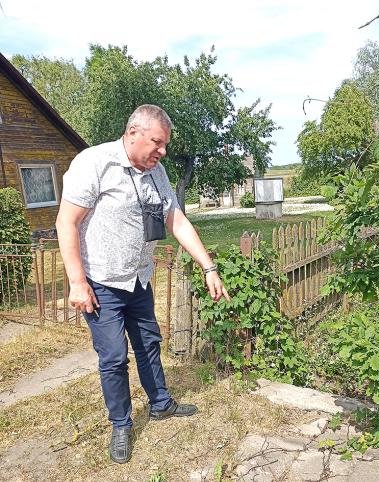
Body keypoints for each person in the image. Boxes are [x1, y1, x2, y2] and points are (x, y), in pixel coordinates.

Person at [56, 104, 230, 464]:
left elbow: (176, 220)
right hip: (101, 282)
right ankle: (121, 424)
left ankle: (161, 403)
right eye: (157, 143)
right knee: (114, 356)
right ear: (133, 133)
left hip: (138, 278)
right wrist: (77, 282)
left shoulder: (156, 171)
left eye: (165, 145)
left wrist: (209, 267)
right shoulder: (94, 163)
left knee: (149, 343)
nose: (162, 152)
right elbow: (66, 222)